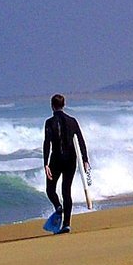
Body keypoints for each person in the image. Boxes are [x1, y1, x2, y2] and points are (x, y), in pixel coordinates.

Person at [42, 93, 90, 232]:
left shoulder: (49, 122)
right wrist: (85, 159)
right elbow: (81, 141)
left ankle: (58, 206)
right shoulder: (72, 121)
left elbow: (47, 143)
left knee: (50, 189)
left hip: (56, 159)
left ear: (52, 106)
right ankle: (67, 224)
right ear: (64, 105)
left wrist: (46, 163)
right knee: (66, 191)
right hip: (71, 160)